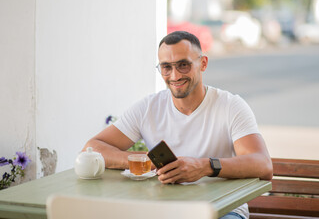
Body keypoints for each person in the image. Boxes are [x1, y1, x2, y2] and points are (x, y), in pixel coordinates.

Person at [84, 31, 273, 219]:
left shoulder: (231, 105)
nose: (174, 76)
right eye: (166, 67)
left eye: (183, 65)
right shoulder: (148, 107)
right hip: (166, 209)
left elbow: (263, 165)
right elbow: (91, 148)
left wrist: (204, 167)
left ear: (203, 63)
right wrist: (145, 162)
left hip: (222, 210)